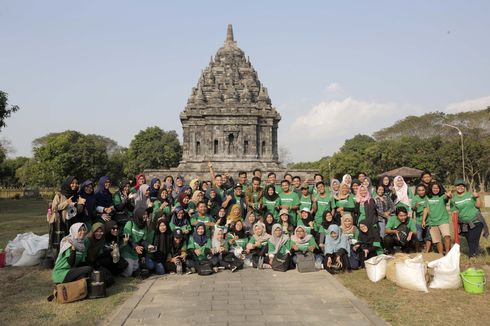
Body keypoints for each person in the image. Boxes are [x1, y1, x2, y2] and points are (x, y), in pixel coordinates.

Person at [450, 179, 489, 257]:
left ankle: (472, 256)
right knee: (469, 239)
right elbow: (454, 211)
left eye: (462, 186)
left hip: (476, 221)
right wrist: (454, 222)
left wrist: (477, 197)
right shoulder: (454, 199)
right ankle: (476, 252)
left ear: (464, 187)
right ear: (455, 187)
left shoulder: (471, 195)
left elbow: (478, 206)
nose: (460, 187)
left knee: (472, 239)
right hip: (464, 223)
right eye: (458, 185)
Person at [48, 176, 85, 258]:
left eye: (76, 183)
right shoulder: (60, 195)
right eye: (72, 183)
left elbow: (79, 210)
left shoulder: (77, 195)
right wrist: (66, 202)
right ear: (68, 183)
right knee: (58, 242)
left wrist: (81, 204)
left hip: (72, 223)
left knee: (69, 242)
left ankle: (68, 258)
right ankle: (56, 260)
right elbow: (54, 208)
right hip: (59, 223)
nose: (74, 185)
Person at [120, 208, 151, 277]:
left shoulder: (144, 226)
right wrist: (135, 247)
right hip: (127, 250)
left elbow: (143, 240)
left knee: (136, 270)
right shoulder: (130, 223)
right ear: (139, 214)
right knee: (128, 272)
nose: (146, 216)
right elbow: (128, 238)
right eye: (144, 214)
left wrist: (148, 246)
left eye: (146, 214)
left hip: (135, 253)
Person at [422, 182, 451, 255]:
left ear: (440, 188)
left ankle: (447, 253)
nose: (436, 189)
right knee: (437, 240)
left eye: (437, 188)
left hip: (443, 220)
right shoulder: (427, 197)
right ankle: (441, 254)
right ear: (431, 189)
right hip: (432, 221)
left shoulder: (442, 196)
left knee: (447, 236)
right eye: (434, 188)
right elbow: (426, 209)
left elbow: (447, 197)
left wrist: (448, 195)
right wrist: (423, 220)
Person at [411, 184, 430, 252]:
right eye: (419, 190)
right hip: (419, 220)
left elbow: (427, 208)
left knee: (428, 237)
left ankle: (427, 251)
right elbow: (413, 208)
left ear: (425, 190)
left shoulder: (427, 197)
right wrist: (415, 206)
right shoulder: (415, 198)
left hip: (429, 220)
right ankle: (417, 250)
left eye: (423, 190)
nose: (421, 192)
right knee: (418, 237)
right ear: (417, 191)